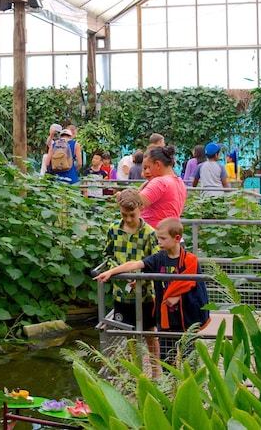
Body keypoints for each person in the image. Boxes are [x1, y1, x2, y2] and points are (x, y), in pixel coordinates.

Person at [93, 217, 208, 363]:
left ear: (177, 238)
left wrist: (178, 295)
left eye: (162, 238)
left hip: (186, 318)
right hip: (166, 320)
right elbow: (134, 264)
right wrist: (110, 272)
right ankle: (171, 384)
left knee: (189, 358)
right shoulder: (158, 258)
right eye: (158, 237)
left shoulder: (190, 260)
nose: (158, 241)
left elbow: (196, 288)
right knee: (167, 358)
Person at [102, 189, 159, 368]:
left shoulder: (150, 234)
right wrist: (114, 270)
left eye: (131, 215)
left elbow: (155, 262)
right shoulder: (113, 230)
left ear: (141, 209)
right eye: (124, 215)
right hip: (121, 292)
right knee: (128, 333)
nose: (127, 219)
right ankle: (136, 370)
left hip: (145, 294)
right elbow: (108, 254)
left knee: (150, 332)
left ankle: (156, 371)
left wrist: (142, 278)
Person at [138, 145, 187, 229]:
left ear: (157, 164)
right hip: (171, 234)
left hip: (155, 235)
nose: (146, 172)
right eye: (144, 168)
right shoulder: (179, 182)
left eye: (147, 167)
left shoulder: (160, 182)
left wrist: (121, 196)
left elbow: (134, 203)